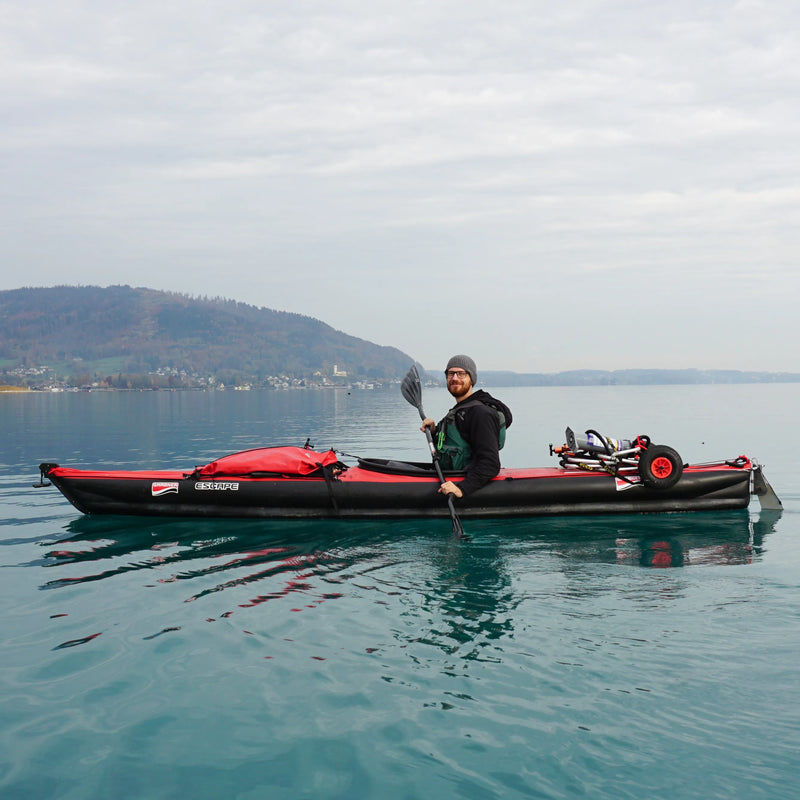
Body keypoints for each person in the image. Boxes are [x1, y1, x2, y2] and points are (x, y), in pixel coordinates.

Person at [421, 355, 512, 499]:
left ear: (471, 379)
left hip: (466, 482)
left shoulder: (480, 413)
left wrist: (462, 489)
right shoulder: (462, 410)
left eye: (461, 374)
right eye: (451, 374)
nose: (455, 378)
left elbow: (490, 463)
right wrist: (434, 431)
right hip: (451, 474)